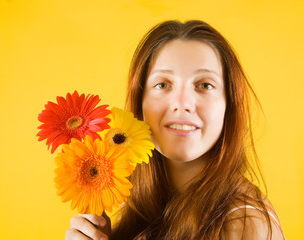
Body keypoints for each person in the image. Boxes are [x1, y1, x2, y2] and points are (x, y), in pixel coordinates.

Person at [65, 20, 286, 240]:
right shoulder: (137, 204)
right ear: (140, 102)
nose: (182, 103)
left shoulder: (248, 225)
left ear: (229, 104)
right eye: (163, 85)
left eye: (205, 85)